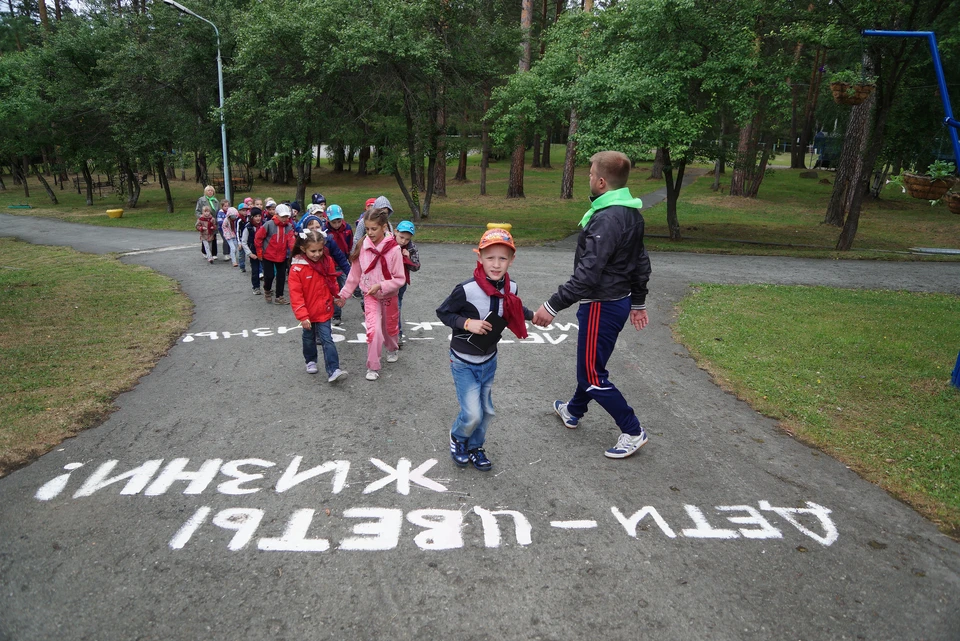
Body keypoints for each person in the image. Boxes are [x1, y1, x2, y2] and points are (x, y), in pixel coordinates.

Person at [531, 150, 651, 460]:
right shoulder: (630, 212)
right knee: (591, 366)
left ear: (600, 181)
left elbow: (588, 274)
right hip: (618, 303)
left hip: (601, 305)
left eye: (589, 175)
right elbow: (640, 261)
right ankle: (573, 410)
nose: (587, 178)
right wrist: (637, 302)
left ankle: (632, 429)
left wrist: (552, 305)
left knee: (592, 375)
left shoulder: (608, 218)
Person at [436, 227, 534, 471]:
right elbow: (444, 312)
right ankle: (458, 438)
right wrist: (467, 323)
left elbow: (513, 310)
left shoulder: (511, 288)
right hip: (463, 361)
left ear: (512, 259)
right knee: (472, 413)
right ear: (479, 257)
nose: (496, 264)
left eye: (503, 258)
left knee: (487, 411)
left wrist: (534, 315)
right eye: (490, 257)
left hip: (489, 359)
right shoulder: (466, 289)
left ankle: (475, 446)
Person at [337, 208, 405, 381]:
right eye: (367, 229)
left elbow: (400, 279)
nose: (370, 232)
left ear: (384, 227)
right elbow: (354, 275)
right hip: (370, 295)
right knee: (374, 331)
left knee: (389, 329)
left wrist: (382, 285)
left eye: (374, 229)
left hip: (389, 295)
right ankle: (373, 366)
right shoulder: (363, 246)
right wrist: (343, 295)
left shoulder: (394, 249)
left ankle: (392, 347)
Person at [288, 228, 347, 383]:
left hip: (324, 309)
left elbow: (332, 280)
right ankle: (310, 360)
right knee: (308, 338)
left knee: (327, 339)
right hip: (307, 313)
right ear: (303, 249)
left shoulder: (327, 261)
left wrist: (336, 296)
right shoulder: (297, 269)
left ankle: (334, 369)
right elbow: (296, 294)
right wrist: (303, 316)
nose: (317, 254)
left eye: (320, 250)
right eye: (313, 251)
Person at [255, 203, 296, 305]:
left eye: (286, 216)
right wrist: (259, 252)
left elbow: (291, 240)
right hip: (268, 255)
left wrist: (294, 252)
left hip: (282, 255)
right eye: (282, 216)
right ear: (276, 215)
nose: (284, 219)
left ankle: (279, 296)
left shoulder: (289, 226)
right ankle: (267, 289)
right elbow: (258, 238)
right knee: (269, 276)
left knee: (281, 276)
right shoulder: (268, 224)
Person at [324, 205, 354, 326]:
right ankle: (331, 313)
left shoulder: (347, 228)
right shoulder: (325, 232)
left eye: (338, 221)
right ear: (328, 220)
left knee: (340, 290)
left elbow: (350, 242)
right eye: (333, 222)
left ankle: (337, 313)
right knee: (329, 290)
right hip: (330, 265)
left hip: (342, 262)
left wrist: (350, 255)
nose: (336, 224)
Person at [394, 220, 420, 344]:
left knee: (397, 306)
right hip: (386, 280)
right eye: (401, 237)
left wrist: (408, 257)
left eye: (407, 239)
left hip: (401, 282)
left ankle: (397, 334)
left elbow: (416, 266)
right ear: (395, 232)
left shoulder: (411, 247)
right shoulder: (388, 243)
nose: (403, 241)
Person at [241, 207, 264, 294]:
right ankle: (256, 287)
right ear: (252, 217)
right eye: (256, 216)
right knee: (255, 270)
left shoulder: (264, 225)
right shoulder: (248, 228)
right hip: (253, 252)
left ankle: (267, 287)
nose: (258, 218)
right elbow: (244, 242)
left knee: (266, 270)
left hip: (263, 251)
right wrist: (249, 253)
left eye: (259, 216)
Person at [195, 185, 219, 258]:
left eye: (211, 190)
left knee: (213, 236)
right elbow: (197, 211)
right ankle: (205, 251)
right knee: (205, 236)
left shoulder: (215, 200)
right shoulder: (201, 200)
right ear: (205, 192)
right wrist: (202, 218)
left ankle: (214, 253)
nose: (210, 192)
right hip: (204, 221)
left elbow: (217, 211)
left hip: (213, 221)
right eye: (208, 190)